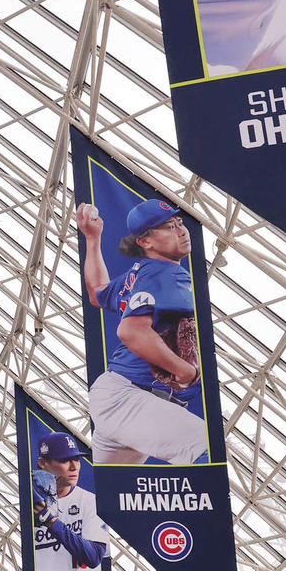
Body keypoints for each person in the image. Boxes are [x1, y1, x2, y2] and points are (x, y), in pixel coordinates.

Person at [75, 197, 209, 466]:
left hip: (121, 397)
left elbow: (97, 291)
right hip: (131, 398)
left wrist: (92, 238)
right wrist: (185, 370)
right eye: (169, 227)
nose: (181, 230)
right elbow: (131, 331)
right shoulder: (166, 274)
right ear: (145, 242)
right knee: (204, 447)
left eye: (179, 222)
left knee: (112, 499)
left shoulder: (142, 273)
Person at [30, 431, 109, 571]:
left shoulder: (90, 501)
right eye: (65, 460)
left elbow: (93, 556)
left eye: (76, 460)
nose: (74, 467)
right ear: (43, 463)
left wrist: (52, 522)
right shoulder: (27, 505)